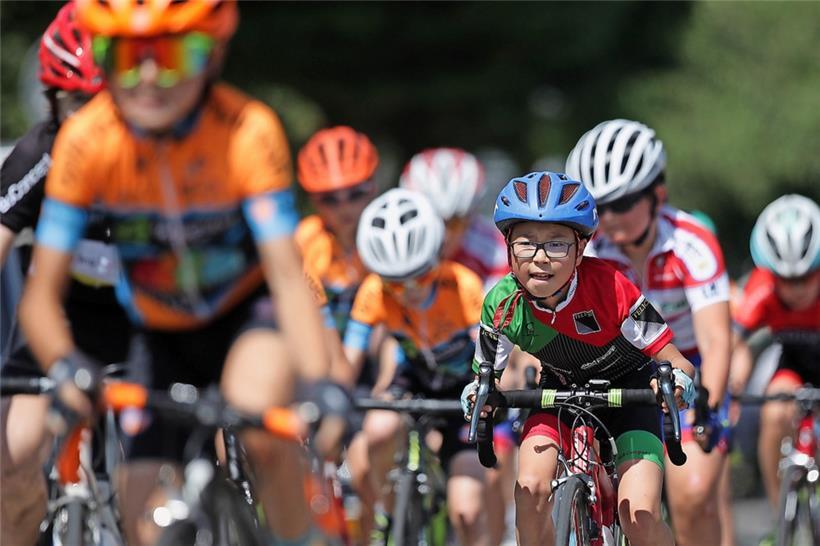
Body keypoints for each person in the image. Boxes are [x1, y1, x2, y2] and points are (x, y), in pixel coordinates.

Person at [18, 1, 344, 544]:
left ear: (211, 56)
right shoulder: (87, 140)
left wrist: (320, 382)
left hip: (245, 317)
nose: (148, 78)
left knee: (259, 426)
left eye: (171, 56)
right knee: (141, 517)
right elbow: (40, 294)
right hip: (157, 331)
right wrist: (65, 363)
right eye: (125, 57)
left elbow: (288, 277)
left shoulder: (248, 130)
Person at [463, 171, 697, 546]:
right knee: (530, 489)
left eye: (556, 244)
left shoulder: (613, 287)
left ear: (581, 246)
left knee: (639, 515)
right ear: (507, 245)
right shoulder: (500, 304)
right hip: (559, 391)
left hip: (630, 393)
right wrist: (478, 394)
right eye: (526, 243)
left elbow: (677, 361)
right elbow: (485, 378)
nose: (540, 258)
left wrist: (679, 382)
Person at [566, 119, 733, 546]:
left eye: (621, 204)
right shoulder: (588, 246)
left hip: (684, 371)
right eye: (598, 207)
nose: (606, 218)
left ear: (658, 195)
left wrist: (708, 406)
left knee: (693, 493)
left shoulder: (692, 242)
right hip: (615, 370)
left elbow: (716, 340)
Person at [0, 4, 129, 545]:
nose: (93, 121)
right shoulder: (40, 152)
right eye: (77, 104)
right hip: (55, 319)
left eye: (105, 102)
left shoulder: (157, 152)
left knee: (160, 483)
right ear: (51, 101)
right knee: (12, 463)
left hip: (143, 319)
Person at [343, 188, 492, 546]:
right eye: (395, 282)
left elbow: (491, 354)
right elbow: (349, 361)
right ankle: (389, 512)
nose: (409, 290)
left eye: (421, 276)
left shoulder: (464, 284)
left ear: (439, 254)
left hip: (463, 387)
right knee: (377, 429)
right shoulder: (372, 291)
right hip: (413, 377)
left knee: (468, 512)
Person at [399, 147, 513, 544]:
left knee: (495, 459)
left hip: (479, 365)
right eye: (437, 220)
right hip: (420, 367)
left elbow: (506, 330)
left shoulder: (493, 250)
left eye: (457, 221)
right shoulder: (402, 245)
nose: (447, 233)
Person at [730, 195, 820, 536]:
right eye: (786, 279)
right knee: (774, 410)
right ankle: (780, 514)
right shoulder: (762, 288)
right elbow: (735, 344)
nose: (796, 289)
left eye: (806, 277)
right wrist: (733, 384)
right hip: (793, 365)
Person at [295, 125, 381, 386]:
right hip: (317, 354)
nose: (344, 207)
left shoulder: (386, 236)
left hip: (373, 358)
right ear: (313, 199)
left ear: (373, 188)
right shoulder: (305, 239)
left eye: (355, 193)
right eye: (330, 199)